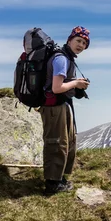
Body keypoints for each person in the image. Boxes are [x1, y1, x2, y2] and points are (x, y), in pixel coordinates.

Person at [39, 26, 90, 195]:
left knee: (65, 141)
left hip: (62, 105)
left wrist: (76, 84)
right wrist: (76, 84)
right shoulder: (61, 59)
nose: (81, 45)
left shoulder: (67, 58)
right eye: (78, 40)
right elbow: (57, 87)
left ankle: (59, 178)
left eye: (84, 43)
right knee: (56, 142)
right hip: (54, 106)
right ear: (69, 40)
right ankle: (52, 184)